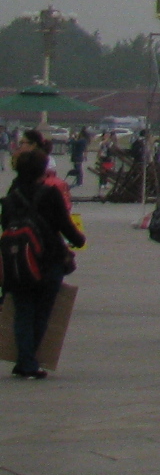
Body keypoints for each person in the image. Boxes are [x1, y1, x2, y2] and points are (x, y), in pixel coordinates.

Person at [3, 147, 83, 379]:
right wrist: (79, 239)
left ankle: (24, 360)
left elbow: (6, 225)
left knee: (23, 312)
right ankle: (28, 362)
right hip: (48, 260)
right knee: (41, 313)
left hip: (18, 261)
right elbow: (64, 223)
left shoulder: (11, 196)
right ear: (42, 171)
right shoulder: (50, 193)